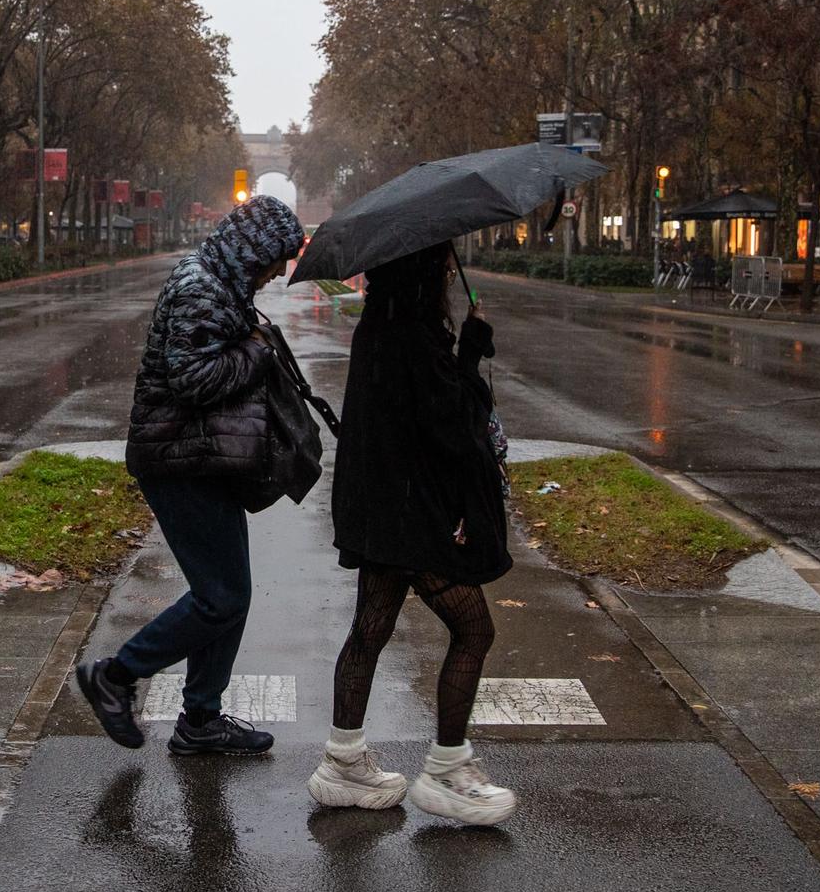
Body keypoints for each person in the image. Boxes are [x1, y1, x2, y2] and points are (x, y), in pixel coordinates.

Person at [76, 194, 307, 756]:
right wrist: (255, 351)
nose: (278, 273)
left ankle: (200, 720)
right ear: (253, 250)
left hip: (200, 457)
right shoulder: (201, 288)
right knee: (220, 598)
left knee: (230, 593)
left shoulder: (221, 283)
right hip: (177, 461)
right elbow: (194, 380)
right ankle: (116, 675)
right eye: (275, 259)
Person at [307, 241, 516, 825]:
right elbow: (452, 428)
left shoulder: (382, 325)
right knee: (473, 629)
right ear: (423, 271)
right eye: (443, 262)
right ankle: (448, 769)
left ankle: (342, 761)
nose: (451, 269)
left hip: (378, 508)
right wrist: (471, 356)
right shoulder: (417, 337)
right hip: (410, 513)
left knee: (370, 628)